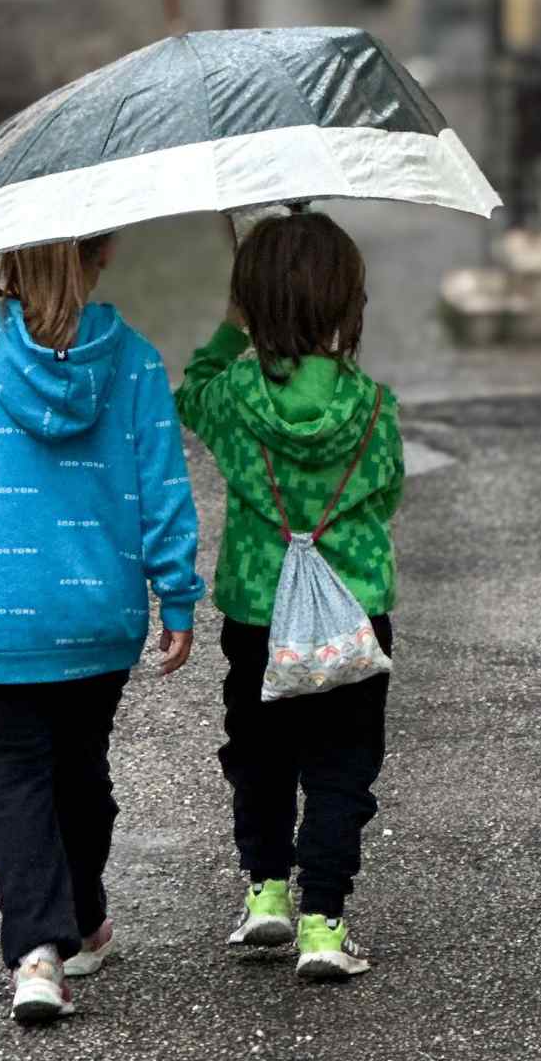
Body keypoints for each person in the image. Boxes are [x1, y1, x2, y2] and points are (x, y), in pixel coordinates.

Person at [0, 234, 205, 1023]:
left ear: (4, 261)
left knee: (17, 778)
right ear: (102, 255)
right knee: (80, 768)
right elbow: (163, 483)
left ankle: (36, 954)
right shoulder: (131, 361)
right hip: (96, 611)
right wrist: (176, 595)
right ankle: (86, 917)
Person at [175, 211, 404, 981]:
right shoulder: (372, 406)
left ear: (252, 305)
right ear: (347, 302)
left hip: (257, 613)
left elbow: (191, 392)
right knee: (341, 767)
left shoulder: (234, 396)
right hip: (353, 615)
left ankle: (267, 892)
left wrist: (231, 328)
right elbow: (388, 493)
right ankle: (324, 925)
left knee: (261, 754)